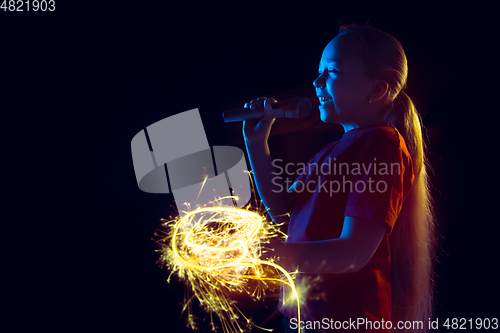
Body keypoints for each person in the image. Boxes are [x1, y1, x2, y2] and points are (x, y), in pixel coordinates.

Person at [242, 24, 435, 333]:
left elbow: (352, 253)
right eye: (319, 71)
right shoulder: (329, 152)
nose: (317, 82)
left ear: (377, 90)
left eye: (332, 72)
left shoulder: (383, 146)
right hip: (301, 318)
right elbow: (282, 209)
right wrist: (256, 144)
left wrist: (269, 251)